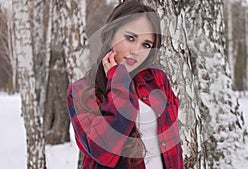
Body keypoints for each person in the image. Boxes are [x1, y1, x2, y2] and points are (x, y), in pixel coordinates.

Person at [67, 1, 183, 169]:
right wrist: (118, 82)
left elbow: (173, 147)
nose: (137, 50)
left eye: (146, 44)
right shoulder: (81, 91)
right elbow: (102, 151)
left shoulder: (157, 80)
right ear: (111, 33)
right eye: (130, 38)